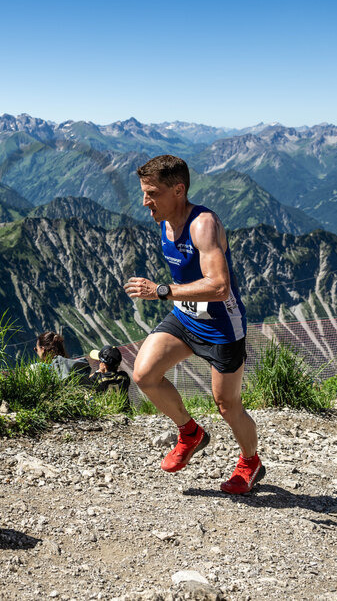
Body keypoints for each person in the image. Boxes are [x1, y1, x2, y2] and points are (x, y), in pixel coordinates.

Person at [124, 154, 263, 494]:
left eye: (152, 194)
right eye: (144, 193)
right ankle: (190, 432)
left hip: (222, 326)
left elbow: (219, 286)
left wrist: (161, 291)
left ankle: (251, 461)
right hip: (186, 317)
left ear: (179, 190)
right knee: (144, 375)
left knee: (227, 405)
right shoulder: (164, 219)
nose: (145, 202)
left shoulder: (203, 225)